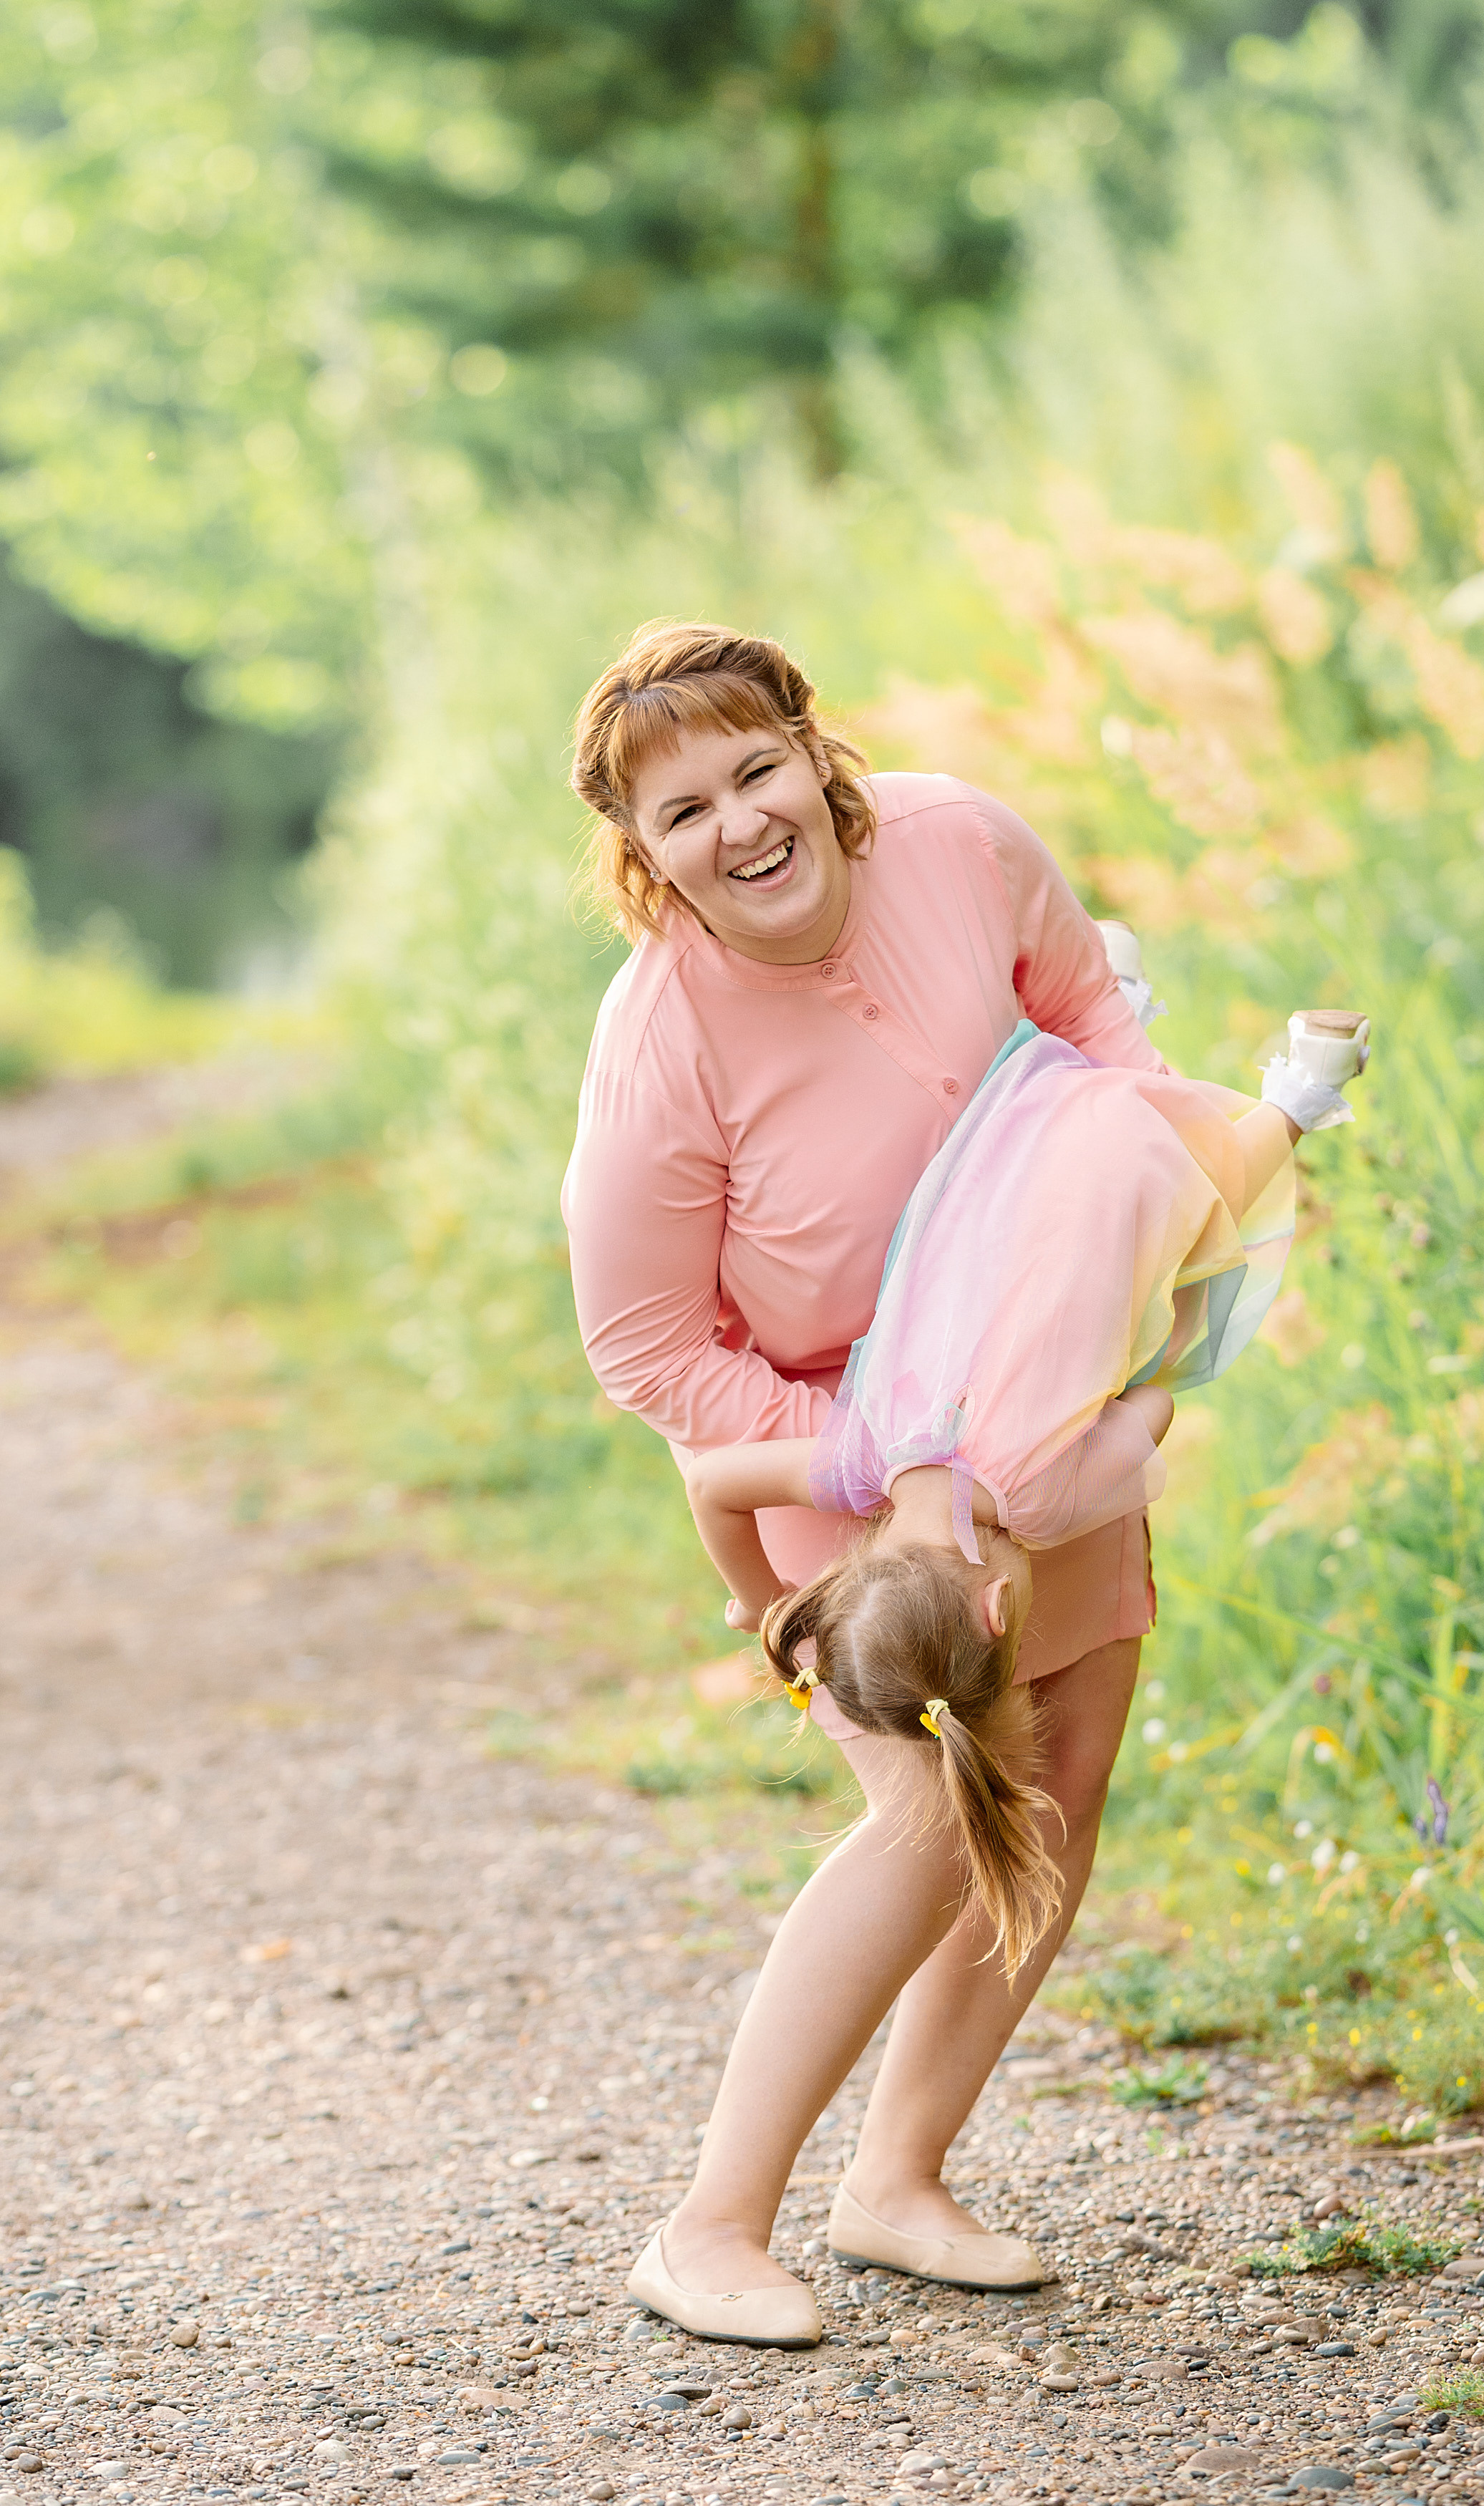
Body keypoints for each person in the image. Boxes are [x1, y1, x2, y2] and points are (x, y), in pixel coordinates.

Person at [559, 619, 1363, 2346]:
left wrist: (1146, 1253)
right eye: (684, 810)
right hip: (827, 1444)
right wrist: (880, 1461)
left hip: (1044, 1399)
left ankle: (899, 2178)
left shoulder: (960, 841)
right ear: (642, 851)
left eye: (756, 769)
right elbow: (644, 1348)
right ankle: (710, 2224)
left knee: (1058, 1772)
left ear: (813, 750)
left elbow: (1088, 1020)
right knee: (931, 1807)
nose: (739, 824)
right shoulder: (661, 1035)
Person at [682, 1006, 1367, 1965]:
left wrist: (1128, 1396)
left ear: (999, 1607)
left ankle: (1305, 1085)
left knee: (1204, 1228)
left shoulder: (1041, 1502)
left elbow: (1153, 1416)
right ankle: (1116, 1003)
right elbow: (716, 1487)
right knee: (1110, 1187)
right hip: (1005, 1151)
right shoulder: (865, 1453)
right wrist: (765, 1605)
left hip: (1129, 1184)